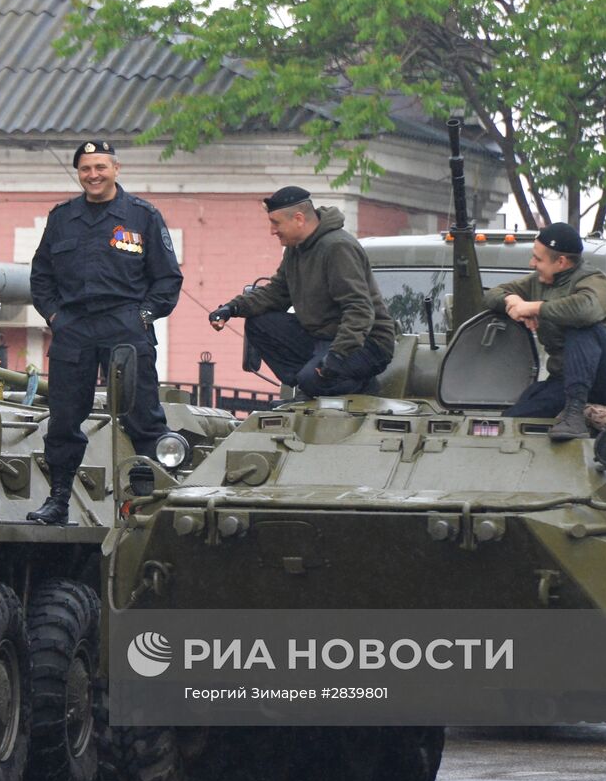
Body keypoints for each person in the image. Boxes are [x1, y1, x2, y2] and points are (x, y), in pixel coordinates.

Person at [26, 139, 183, 525]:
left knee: (142, 416)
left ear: (116, 169)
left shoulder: (142, 216)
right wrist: (54, 317)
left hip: (124, 324)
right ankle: (59, 500)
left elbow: (167, 278)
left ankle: (150, 498)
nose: (93, 175)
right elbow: (41, 275)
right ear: (78, 173)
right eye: (85, 169)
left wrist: (144, 316)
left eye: (100, 167)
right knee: (63, 419)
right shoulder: (62, 217)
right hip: (74, 327)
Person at [208, 186, 395, 398]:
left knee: (312, 378)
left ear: (298, 219)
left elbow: (359, 310)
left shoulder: (337, 247)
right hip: (323, 337)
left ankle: (358, 387)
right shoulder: (296, 249)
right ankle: (312, 382)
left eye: (275, 223)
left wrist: (337, 356)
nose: (272, 231)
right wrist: (231, 308)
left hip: (368, 343)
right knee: (259, 324)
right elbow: (276, 293)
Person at [484, 223, 606, 441]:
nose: (532, 264)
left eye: (538, 259)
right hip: (571, 381)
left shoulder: (594, 281)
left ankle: (574, 416)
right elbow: (491, 294)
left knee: (581, 325)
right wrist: (511, 299)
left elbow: (585, 311)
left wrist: (534, 307)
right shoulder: (538, 282)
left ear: (561, 262)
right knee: (514, 419)